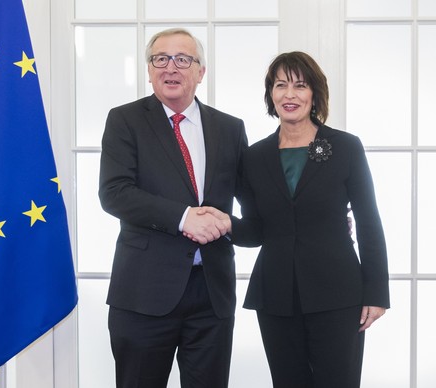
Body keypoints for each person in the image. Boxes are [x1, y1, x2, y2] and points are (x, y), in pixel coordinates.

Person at [198, 51, 390, 387]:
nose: (290, 94)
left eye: (300, 85)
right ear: (270, 94)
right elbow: (256, 228)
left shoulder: (345, 147)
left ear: (314, 93)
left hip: (339, 293)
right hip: (275, 295)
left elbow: (369, 221)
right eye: (280, 85)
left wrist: (376, 292)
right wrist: (228, 224)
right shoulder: (255, 156)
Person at [98, 28, 247, 388]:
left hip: (211, 295)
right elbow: (114, 193)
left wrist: (319, 218)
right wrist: (183, 219)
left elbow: (255, 203)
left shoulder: (229, 128)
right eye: (160, 59)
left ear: (200, 72)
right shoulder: (124, 120)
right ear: (149, 70)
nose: (171, 68)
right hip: (143, 294)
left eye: (183, 59)